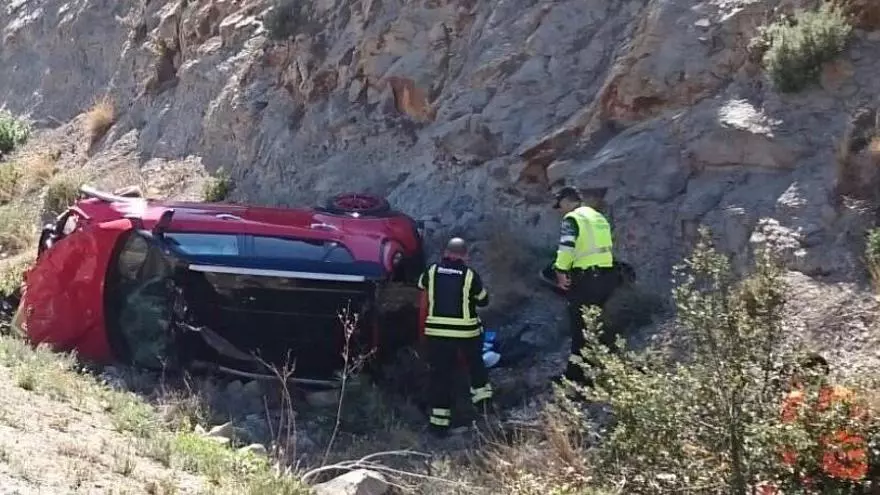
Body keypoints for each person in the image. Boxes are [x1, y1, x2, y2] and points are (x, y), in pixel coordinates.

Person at [417, 237, 493, 437]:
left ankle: (439, 425)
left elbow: (422, 291)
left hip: (437, 333)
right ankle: (485, 409)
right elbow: (483, 300)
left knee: (440, 376)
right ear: (465, 256)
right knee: (476, 367)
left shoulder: (431, 271)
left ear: (445, 253)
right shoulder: (470, 275)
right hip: (466, 333)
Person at [550, 186, 619, 387]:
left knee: (579, 327)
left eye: (560, 206)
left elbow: (567, 247)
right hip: (606, 277)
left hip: (585, 278)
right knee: (595, 324)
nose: (560, 211)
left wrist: (560, 271)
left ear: (566, 200)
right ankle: (600, 370)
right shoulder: (598, 217)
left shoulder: (572, 219)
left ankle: (577, 377)